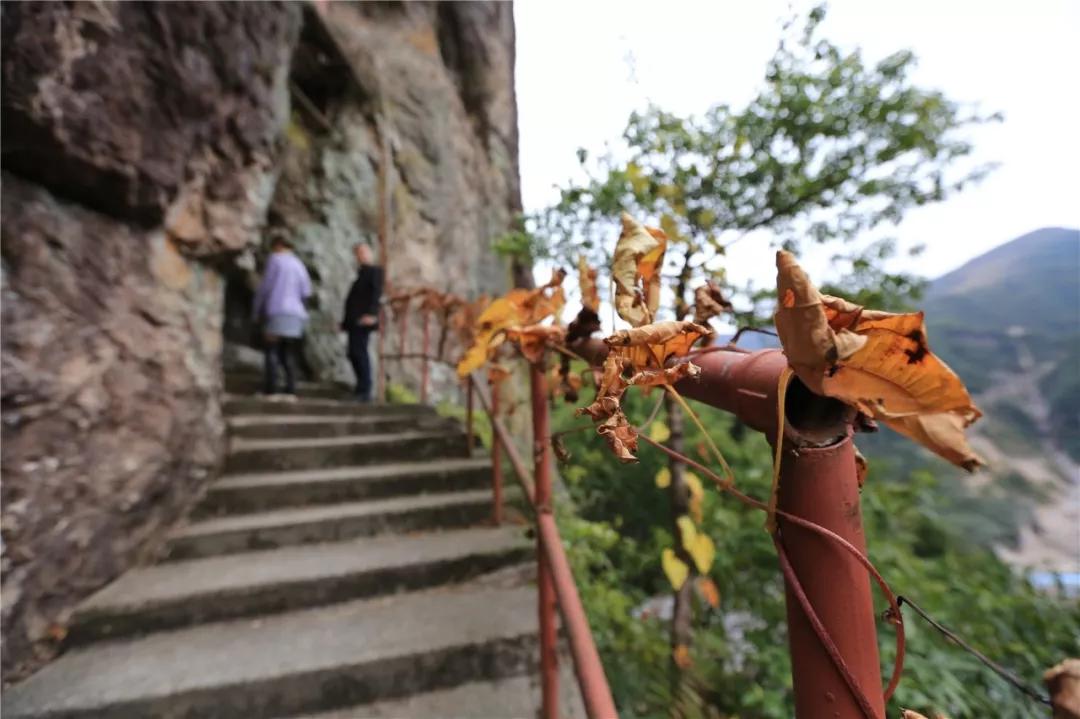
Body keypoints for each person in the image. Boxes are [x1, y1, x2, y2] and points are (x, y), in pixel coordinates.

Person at [252, 233, 312, 399]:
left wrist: (257, 311)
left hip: (277, 310)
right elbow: (306, 291)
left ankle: (270, 388)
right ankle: (291, 388)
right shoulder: (299, 264)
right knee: (288, 352)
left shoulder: (275, 260)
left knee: (272, 350)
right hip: (296, 314)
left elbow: (266, 287)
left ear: (277, 245)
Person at [341, 243, 383, 402]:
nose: (361, 255)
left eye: (364, 252)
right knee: (353, 353)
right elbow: (353, 300)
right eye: (358, 253)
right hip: (354, 320)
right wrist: (345, 322)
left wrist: (372, 314)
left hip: (364, 319)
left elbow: (376, 294)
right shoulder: (361, 274)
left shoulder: (375, 272)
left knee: (359, 352)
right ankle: (361, 387)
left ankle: (365, 390)